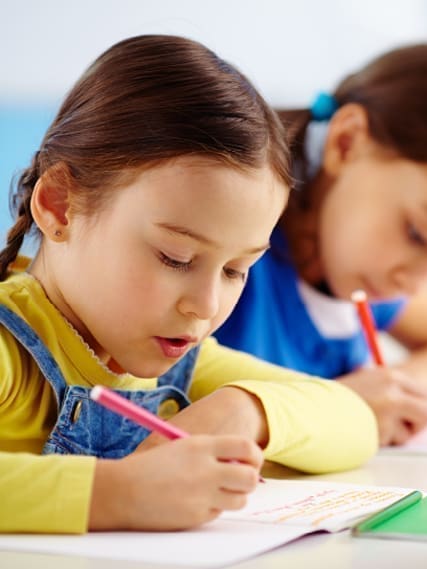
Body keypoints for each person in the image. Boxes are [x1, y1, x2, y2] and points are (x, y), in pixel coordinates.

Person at [0, 35, 378, 535]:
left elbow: (355, 421)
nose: (206, 306)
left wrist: (247, 411)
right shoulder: (10, 349)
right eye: (174, 258)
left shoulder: (179, 369)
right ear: (59, 206)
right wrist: (121, 493)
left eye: (235, 270)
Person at [214, 43, 427, 444]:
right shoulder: (225, 251)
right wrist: (340, 404)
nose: (416, 283)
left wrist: (398, 387)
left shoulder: (354, 263)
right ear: (347, 143)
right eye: (418, 234)